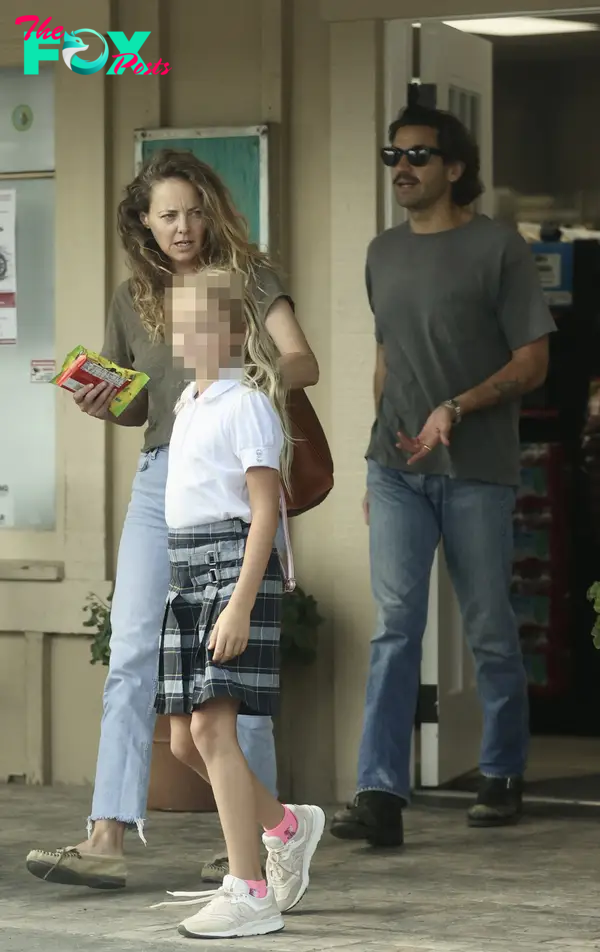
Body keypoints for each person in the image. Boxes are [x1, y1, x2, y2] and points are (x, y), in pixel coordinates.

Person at [25, 149, 319, 889]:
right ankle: (105, 835)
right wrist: (102, 399)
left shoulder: (250, 277)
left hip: (230, 476)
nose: (183, 226)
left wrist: (236, 382)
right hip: (163, 477)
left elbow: (302, 362)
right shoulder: (134, 298)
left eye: (192, 210)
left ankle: (256, 839)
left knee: (233, 668)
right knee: (129, 650)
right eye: (167, 215)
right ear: (144, 224)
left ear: (209, 208)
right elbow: (139, 404)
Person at [330, 105, 556, 848]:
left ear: (454, 168)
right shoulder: (382, 252)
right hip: (396, 471)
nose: (403, 166)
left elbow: (533, 362)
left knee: (490, 626)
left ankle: (499, 771)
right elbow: (386, 357)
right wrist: (377, 455)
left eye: (420, 155)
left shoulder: (499, 248)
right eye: (393, 153)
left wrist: (458, 405)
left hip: (477, 471)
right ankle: (380, 793)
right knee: (395, 629)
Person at [147, 269, 324, 940]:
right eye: (179, 321)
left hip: (230, 567)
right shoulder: (189, 404)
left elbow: (262, 512)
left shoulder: (247, 401)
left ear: (234, 330)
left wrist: (241, 604)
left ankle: (248, 890)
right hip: (186, 570)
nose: (188, 333)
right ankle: (286, 826)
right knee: (185, 741)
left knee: (213, 733)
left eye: (203, 321)